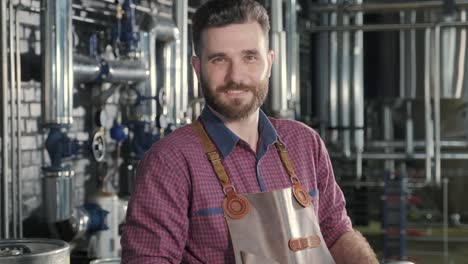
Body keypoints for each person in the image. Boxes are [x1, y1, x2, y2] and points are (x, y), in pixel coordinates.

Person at [121, 0, 378, 263]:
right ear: (198, 68)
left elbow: (335, 232)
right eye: (219, 59)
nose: (236, 76)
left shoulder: (305, 143)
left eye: (249, 57)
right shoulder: (171, 161)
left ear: (268, 62)